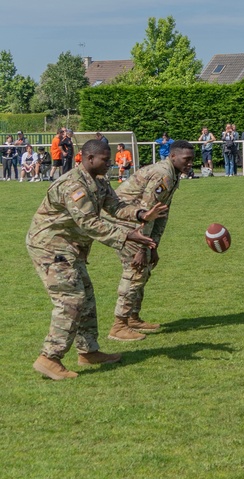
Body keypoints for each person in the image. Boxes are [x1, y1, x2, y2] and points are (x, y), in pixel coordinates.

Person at [26, 139, 166, 381]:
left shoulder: (99, 182)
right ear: (88, 159)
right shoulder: (74, 185)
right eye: (105, 159)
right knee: (71, 299)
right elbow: (89, 223)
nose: (109, 163)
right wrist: (127, 235)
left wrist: (141, 214)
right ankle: (49, 357)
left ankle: (88, 351)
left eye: (110, 159)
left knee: (87, 296)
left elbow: (116, 206)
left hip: (70, 248)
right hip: (49, 246)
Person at [104, 140, 194, 342]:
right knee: (135, 271)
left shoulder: (174, 173)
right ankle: (119, 326)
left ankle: (133, 318)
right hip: (126, 222)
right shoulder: (164, 174)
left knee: (143, 271)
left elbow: (161, 213)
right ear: (173, 156)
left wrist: (154, 245)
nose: (190, 163)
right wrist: (141, 247)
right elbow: (145, 212)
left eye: (192, 160)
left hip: (138, 221)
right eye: (186, 159)